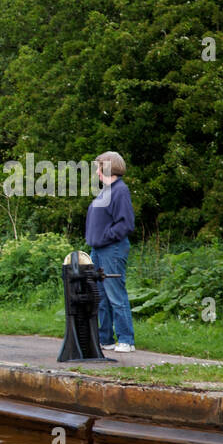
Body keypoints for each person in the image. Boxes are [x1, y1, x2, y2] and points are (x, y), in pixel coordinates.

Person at [86, 151, 135, 353]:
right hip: (97, 250)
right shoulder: (106, 190)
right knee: (101, 297)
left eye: (99, 167)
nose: (97, 171)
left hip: (111, 249)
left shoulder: (120, 191)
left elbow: (126, 224)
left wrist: (106, 236)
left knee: (115, 294)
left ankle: (126, 339)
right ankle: (105, 338)